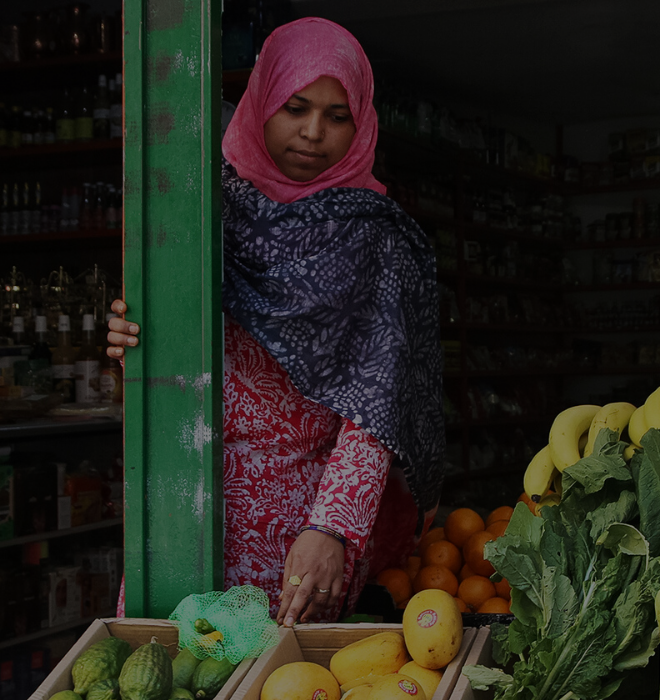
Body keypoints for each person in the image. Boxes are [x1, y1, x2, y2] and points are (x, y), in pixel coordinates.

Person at [106, 18, 443, 627]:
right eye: (295, 107)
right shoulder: (202, 214)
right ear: (262, 100)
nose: (313, 133)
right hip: (182, 507)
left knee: (279, 682)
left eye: (337, 116)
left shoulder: (375, 239)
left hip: (300, 534)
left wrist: (333, 528)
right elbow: (169, 363)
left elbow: (376, 404)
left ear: (361, 121)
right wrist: (134, 344)